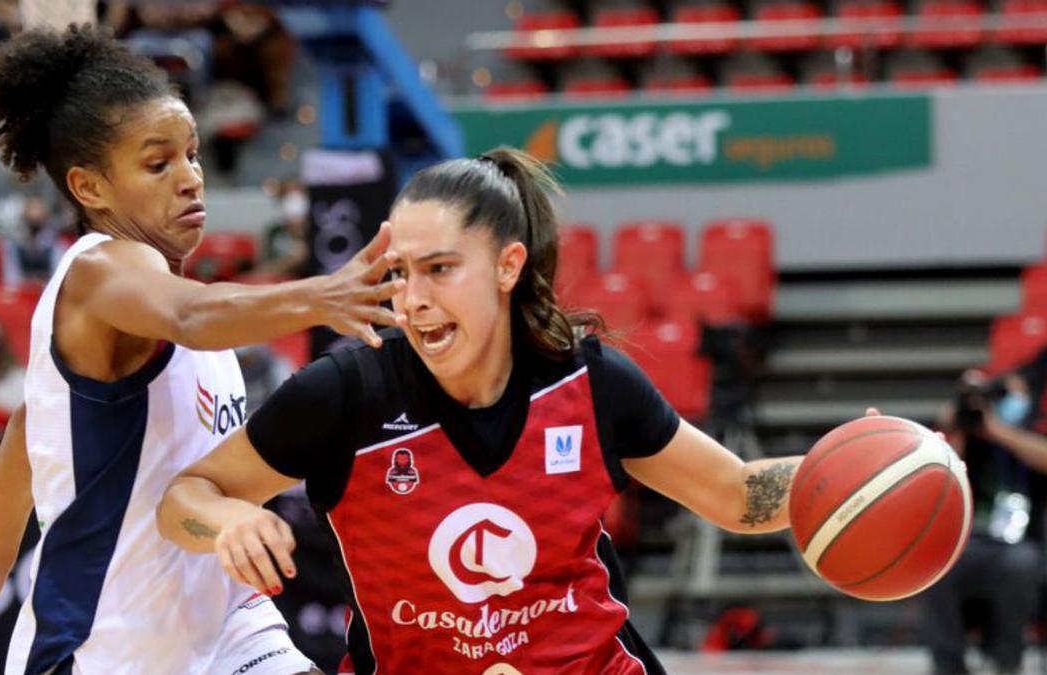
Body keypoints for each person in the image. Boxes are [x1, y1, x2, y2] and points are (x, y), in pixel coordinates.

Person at [156, 148, 813, 674]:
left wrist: (868, 463)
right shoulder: (345, 396)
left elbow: (738, 494)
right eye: (400, 272)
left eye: (440, 269)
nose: (412, 299)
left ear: (508, 266)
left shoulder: (590, 385)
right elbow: (185, 496)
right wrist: (226, 520)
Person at [0, 25, 403, 675]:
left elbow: (32, 425)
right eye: (158, 163)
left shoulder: (166, 289)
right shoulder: (103, 270)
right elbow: (191, 315)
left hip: (228, 627)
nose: (190, 178)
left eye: (191, 154)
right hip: (105, 647)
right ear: (90, 188)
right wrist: (321, 294)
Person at [924, 369, 1047, 675]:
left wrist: (997, 431)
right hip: (962, 542)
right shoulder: (951, 436)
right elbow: (938, 480)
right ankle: (949, 666)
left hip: (1015, 545)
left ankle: (1007, 662)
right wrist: (961, 431)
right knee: (932, 567)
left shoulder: (1025, 429)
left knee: (1021, 565)